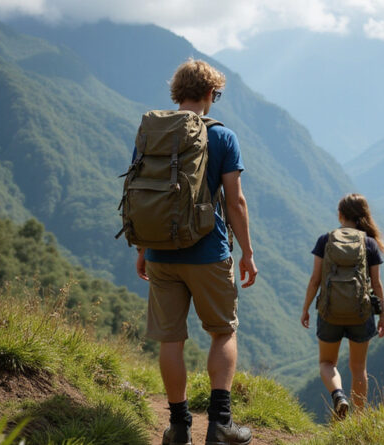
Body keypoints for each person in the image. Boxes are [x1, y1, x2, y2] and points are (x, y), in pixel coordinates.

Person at [135, 59, 257, 445]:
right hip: (208, 252)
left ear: (177, 93)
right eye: (216, 94)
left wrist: (143, 247)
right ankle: (220, 426)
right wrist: (248, 253)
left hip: (160, 253)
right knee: (223, 332)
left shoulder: (152, 132)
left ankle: (178, 428)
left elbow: (141, 195)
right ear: (209, 94)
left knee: (171, 339)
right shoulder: (222, 137)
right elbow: (235, 202)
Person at [300, 193, 384, 418]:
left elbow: (315, 280)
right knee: (359, 369)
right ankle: (357, 421)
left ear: (340, 215)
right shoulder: (368, 243)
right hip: (361, 313)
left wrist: (306, 308)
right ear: (362, 216)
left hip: (330, 313)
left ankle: (338, 394)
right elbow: (376, 284)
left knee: (327, 362)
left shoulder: (325, 240)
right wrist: (383, 317)